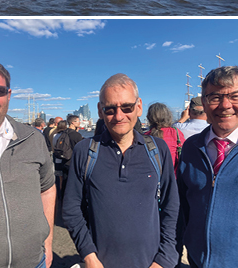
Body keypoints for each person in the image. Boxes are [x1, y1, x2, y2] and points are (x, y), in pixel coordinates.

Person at [62, 73, 179, 268]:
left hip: (151, 263)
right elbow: (72, 208)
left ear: (139, 106)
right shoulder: (85, 151)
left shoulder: (158, 150)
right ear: (100, 110)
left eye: (127, 107)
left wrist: (164, 259)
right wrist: (89, 256)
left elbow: (171, 206)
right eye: (110, 109)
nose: (119, 116)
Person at [0, 57, 55, 268]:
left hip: (35, 263)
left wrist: (48, 243)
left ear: (8, 95)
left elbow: (47, 188)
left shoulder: (33, 138)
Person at [177, 66, 238, 268]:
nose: (225, 105)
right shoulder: (191, 147)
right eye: (215, 97)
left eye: (235, 96)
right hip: (197, 259)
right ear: (204, 103)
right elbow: (183, 204)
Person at [144, 102, 185, 174]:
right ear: (168, 116)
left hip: (152, 179)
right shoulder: (175, 133)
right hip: (173, 178)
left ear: (149, 118)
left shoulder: (144, 136)